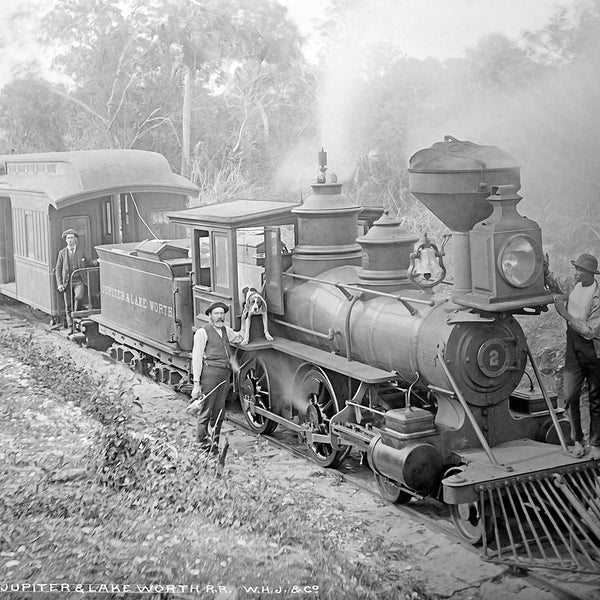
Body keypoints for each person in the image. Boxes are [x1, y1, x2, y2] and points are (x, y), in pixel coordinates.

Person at [545, 252, 600, 460]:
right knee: (569, 395)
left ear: (591, 274)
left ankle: (596, 443)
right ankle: (577, 439)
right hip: (573, 347)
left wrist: (565, 314)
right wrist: (544, 270)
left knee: (596, 399)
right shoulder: (572, 283)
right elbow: (554, 282)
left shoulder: (597, 296)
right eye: (576, 268)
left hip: (594, 349)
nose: (576, 273)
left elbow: (589, 330)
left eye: (581, 270)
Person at [188, 302, 243, 453]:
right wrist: (196, 384)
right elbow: (197, 358)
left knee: (219, 411)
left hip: (225, 375)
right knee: (206, 411)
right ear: (210, 316)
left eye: (221, 313)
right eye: (216, 313)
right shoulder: (202, 332)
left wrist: (246, 318)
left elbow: (240, 338)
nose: (219, 316)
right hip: (210, 374)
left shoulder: (226, 331)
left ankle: (214, 445)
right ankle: (201, 444)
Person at [54, 229, 91, 332]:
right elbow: (58, 269)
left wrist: (97, 261)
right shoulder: (62, 253)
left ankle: (76, 316)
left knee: (79, 297)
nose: (70, 240)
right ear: (66, 240)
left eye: (72, 238)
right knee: (68, 306)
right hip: (67, 282)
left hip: (79, 280)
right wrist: (59, 283)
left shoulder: (81, 251)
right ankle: (71, 327)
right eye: (68, 238)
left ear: (75, 239)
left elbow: (89, 261)